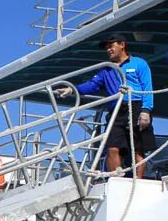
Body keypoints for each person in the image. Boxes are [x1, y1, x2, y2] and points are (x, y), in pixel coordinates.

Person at [57, 33, 154, 178]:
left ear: (122, 44)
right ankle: (116, 179)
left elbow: (148, 87)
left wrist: (146, 110)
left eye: (111, 46)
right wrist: (72, 89)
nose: (108, 49)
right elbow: (92, 85)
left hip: (136, 106)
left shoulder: (139, 63)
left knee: (138, 149)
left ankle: (138, 181)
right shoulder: (106, 70)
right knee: (112, 147)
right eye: (106, 47)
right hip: (116, 110)